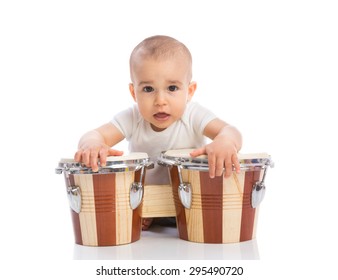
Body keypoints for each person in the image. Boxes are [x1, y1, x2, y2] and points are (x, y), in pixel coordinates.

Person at [74, 35, 242, 230]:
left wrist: (225, 141)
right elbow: (94, 135)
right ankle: (150, 217)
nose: (160, 100)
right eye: (148, 89)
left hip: (192, 204)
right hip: (147, 204)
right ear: (133, 92)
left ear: (190, 91)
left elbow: (231, 131)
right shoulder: (133, 117)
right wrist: (92, 144)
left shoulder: (192, 114)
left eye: (172, 88)